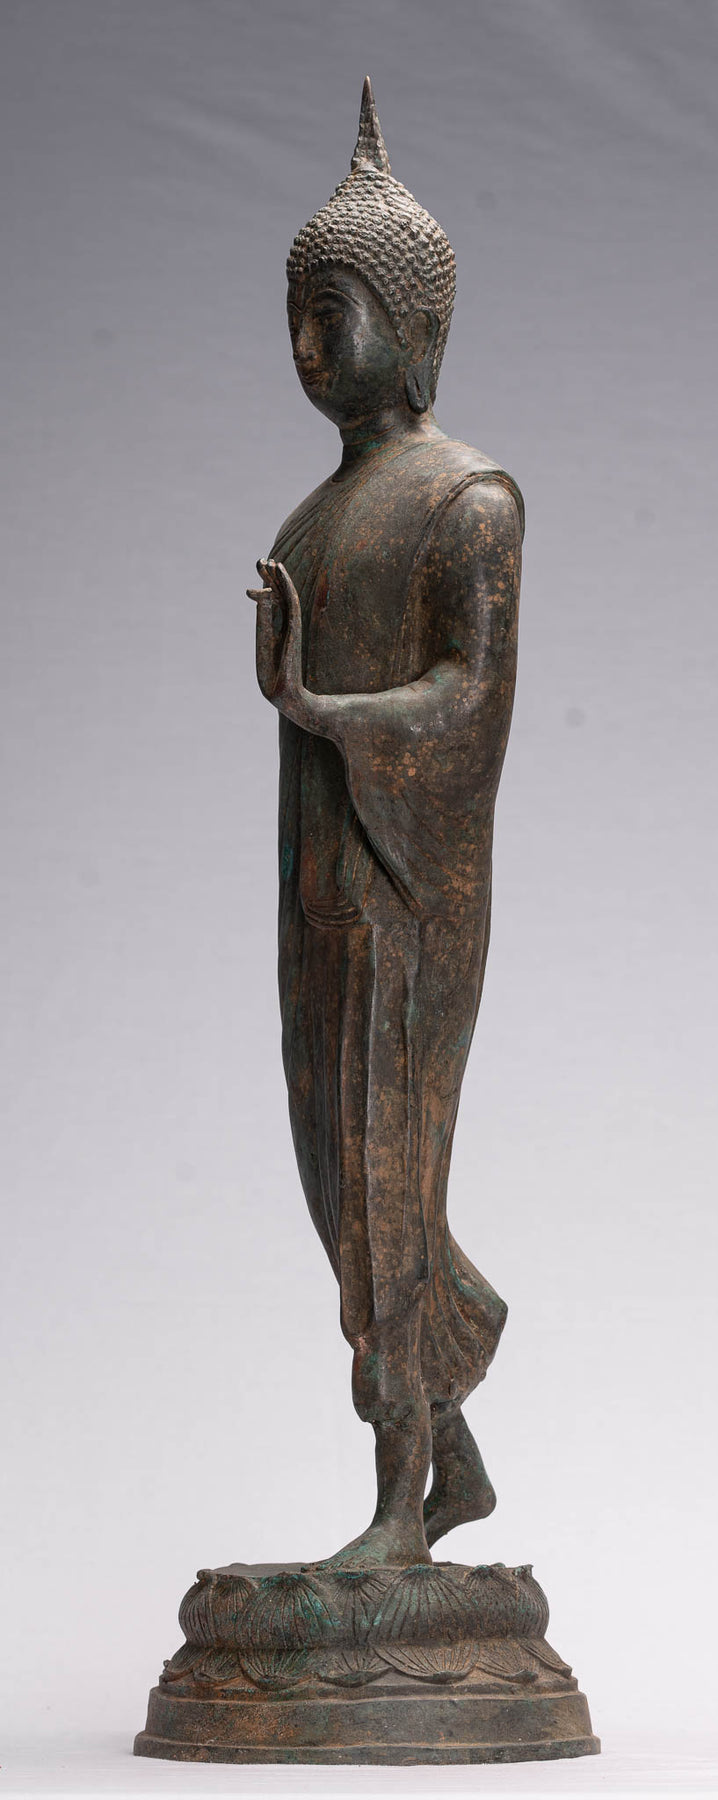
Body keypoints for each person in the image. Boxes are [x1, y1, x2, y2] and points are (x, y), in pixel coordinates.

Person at [248, 80, 524, 1570]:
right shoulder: (310, 519)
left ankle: (401, 1504)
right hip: (321, 886)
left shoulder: (467, 500)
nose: (309, 346)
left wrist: (325, 707)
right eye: (295, 317)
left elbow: (470, 692)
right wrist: (308, 715)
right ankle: (452, 1449)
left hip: (411, 886)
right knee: (336, 1182)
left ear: (414, 329)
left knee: (387, 1172)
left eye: (334, 314)